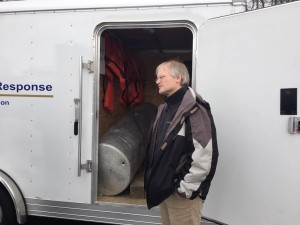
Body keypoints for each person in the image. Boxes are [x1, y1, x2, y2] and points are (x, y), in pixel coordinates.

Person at [144, 60, 218, 225]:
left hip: (182, 196)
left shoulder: (195, 109)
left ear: (178, 77)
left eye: (162, 76)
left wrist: (183, 189)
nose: (157, 81)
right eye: (157, 77)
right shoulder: (164, 108)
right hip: (166, 193)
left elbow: (204, 155)